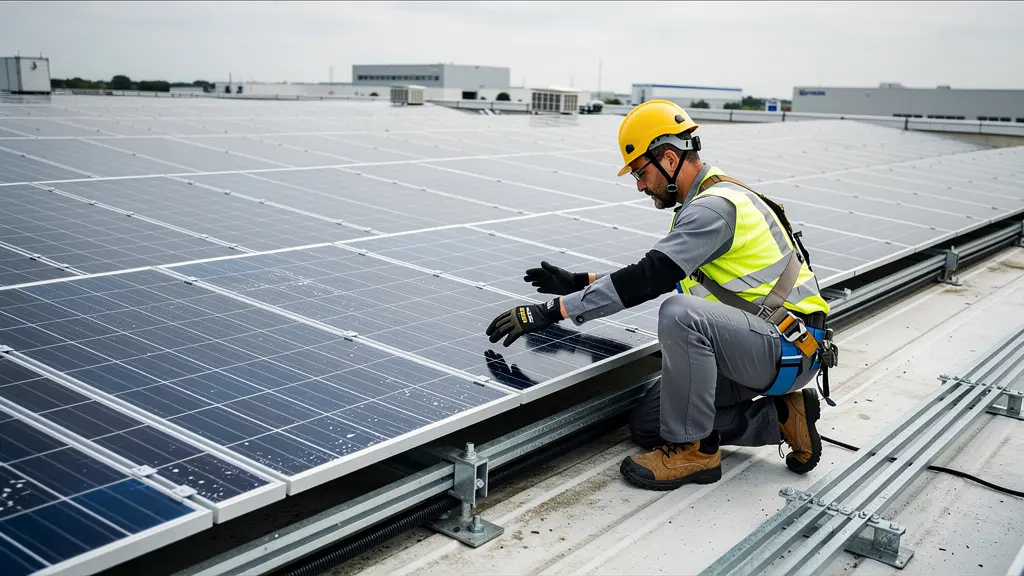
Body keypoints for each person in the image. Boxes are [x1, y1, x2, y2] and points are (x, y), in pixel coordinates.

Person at [484, 100, 839, 491]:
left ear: (669, 159)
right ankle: (782, 416)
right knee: (651, 423)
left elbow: (650, 278)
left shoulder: (714, 209)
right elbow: (675, 277)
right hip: (757, 346)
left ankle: (696, 452)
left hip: (788, 346)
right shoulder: (708, 200)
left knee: (680, 315)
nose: (639, 185)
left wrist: (553, 311)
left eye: (640, 172)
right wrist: (579, 281)